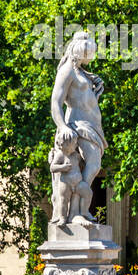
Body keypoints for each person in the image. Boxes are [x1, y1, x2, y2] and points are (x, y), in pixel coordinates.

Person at [48, 31, 105, 224]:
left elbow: (86, 101)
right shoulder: (67, 70)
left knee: (88, 167)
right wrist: (62, 126)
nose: (90, 57)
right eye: (88, 53)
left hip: (92, 126)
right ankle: (75, 212)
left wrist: (95, 92)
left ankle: (79, 210)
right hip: (78, 126)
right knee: (92, 165)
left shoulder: (82, 72)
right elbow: (56, 101)